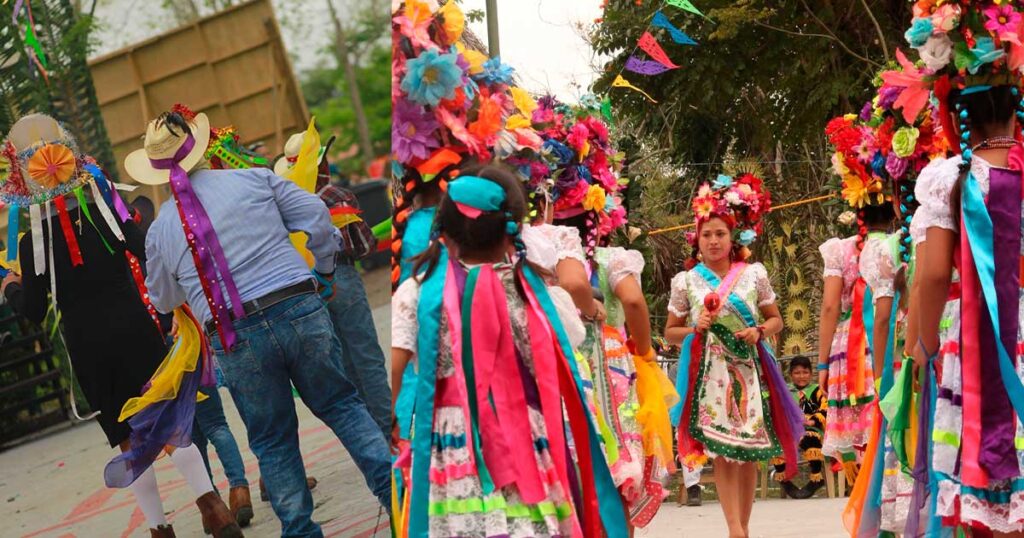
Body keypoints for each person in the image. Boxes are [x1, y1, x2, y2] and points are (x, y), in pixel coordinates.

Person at [129, 110, 390, 537]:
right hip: (298, 305)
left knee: (272, 440)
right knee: (343, 407)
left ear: (156, 168)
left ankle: (301, 532)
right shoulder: (253, 179)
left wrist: (190, 285)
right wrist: (324, 270)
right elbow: (317, 218)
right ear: (198, 147)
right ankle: (396, 495)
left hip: (235, 336)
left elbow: (162, 299)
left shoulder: (160, 232)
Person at [0, 114, 240, 538]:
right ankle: (214, 509)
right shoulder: (106, 212)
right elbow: (146, 248)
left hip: (89, 349)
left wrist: (11, 288)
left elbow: (34, 310)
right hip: (135, 331)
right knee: (164, 421)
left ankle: (159, 529)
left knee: (127, 439)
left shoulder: (31, 242)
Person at [391, 165, 628, 537]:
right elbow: (572, 336)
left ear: (444, 232)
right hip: (525, 440)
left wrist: (392, 419)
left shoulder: (418, 294)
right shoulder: (535, 295)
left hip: (450, 445)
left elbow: (399, 360)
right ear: (511, 232)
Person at [911, 4, 1024, 527]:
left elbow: (934, 273)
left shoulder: (950, 178)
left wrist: (922, 344)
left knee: (982, 470)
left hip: (980, 339)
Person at [665, 174, 802, 538]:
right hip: (711, 375)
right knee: (725, 452)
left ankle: (744, 526)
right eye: (706, 234)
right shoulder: (687, 282)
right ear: (696, 238)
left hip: (750, 370)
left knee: (748, 451)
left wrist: (759, 331)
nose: (713, 241)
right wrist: (697, 327)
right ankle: (734, 530)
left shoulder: (754, 274)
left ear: (733, 237)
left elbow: (776, 321)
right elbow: (669, 332)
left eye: (720, 234)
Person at [274, 129, 391, 438]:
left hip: (308, 286)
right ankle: (388, 430)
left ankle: (370, 436)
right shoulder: (335, 195)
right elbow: (363, 246)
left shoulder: (286, 203)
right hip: (342, 276)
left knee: (344, 364)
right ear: (322, 165)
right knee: (367, 357)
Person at [772, 357, 827, 499]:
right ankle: (784, 479)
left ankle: (816, 477)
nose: (801, 376)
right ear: (790, 375)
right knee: (777, 441)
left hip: (812, 428)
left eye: (805, 372)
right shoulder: (785, 391)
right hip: (790, 429)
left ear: (811, 374)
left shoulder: (818, 390)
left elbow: (825, 408)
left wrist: (813, 420)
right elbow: (779, 410)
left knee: (810, 438)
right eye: (797, 373)